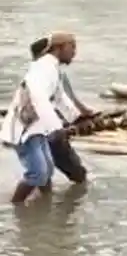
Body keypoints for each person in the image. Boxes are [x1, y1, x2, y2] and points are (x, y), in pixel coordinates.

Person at [1, 32, 77, 204]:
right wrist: (56, 128)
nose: (74, 52)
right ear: (59, 48)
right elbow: (37, 96)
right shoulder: (43, 68)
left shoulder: (52, 68)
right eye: (72, 46)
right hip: (24, 127)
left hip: (38, 126)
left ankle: (44, 206)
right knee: (38, 172)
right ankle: (16, 207)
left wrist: (76, 117)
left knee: (48, 169)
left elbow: (60, 97)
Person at [28, 35, 92, 185]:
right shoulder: (49, 72)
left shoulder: (41, 71)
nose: (74, 52)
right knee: (76, 173)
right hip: (49, 128)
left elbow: (66, 100)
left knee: (43, 175)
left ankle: (41, 205)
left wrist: (81, 115)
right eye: (72, 47)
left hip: (42, 128)